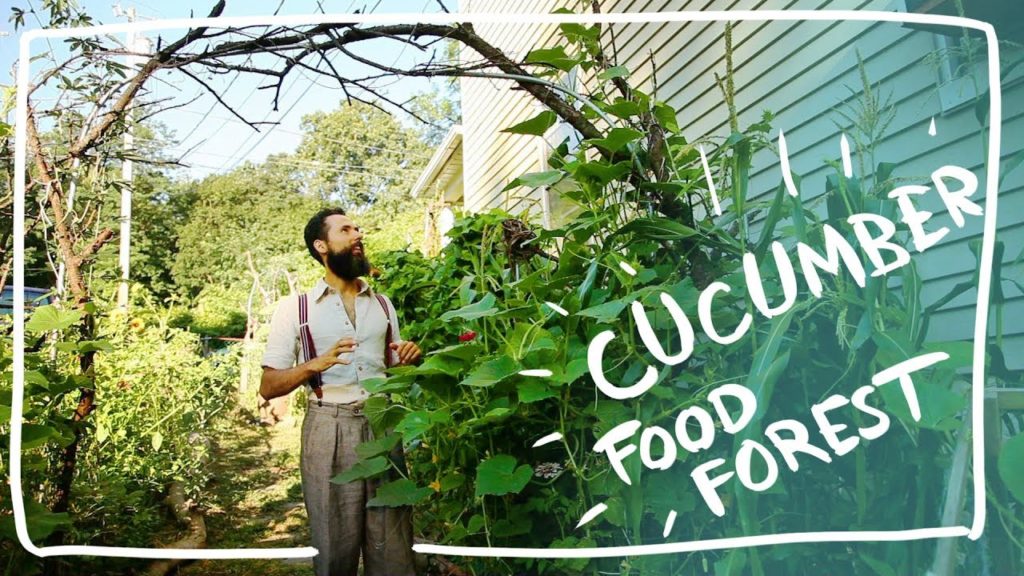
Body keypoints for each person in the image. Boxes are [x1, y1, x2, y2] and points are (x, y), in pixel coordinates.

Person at [260, 207, 421, 576]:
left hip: (383, 424)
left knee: (394, 546)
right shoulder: (295, 309)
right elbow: (268, 386)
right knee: (334, 547)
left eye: (357, 228)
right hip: (327, 427)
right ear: (322, 246)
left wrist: (410, 356)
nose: (357, 234)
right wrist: (311, 366)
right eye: (346, 230)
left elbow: (391, 365)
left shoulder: (382, 304)